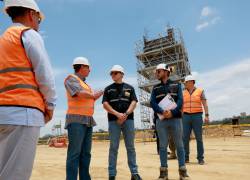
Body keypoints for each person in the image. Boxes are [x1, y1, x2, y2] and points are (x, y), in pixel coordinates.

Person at [0, 0, 57, 179]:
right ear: (32, 14)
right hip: (23, 113)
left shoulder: (4, 40)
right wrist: (50, 105)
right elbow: (45, 76)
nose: (38, 26)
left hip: (4, 114)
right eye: (39, 20)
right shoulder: (27, 34)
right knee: (15, 175)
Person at [64, 57, 103, 180]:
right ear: (81, 67)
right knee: (74, 153)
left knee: (86, 153)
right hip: (76, 120)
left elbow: (87, 97)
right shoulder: (71, 79)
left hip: (87, 120)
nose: (90, 70)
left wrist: (97, 95)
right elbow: (78, 92)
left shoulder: (86, 84)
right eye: (88, 68)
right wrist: (92, 95)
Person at [102, 65, 142, 180]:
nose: (112, 75)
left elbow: (134, 102)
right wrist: (117, 114)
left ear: (121, 74)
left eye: (115, 73)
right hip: (113, 121)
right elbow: (105, 104)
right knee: (113, 147)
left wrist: (125, 114)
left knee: (130, 147)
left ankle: (134, 173)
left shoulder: (129, 88)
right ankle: (112, 174)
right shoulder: (108, 89)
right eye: (111, 73)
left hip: (128, 120)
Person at [150, 64, 189, 180]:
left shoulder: (177, 85)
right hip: (161, 121)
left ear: (166, 72)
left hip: (175, 119)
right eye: (156, 71)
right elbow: (152, 102)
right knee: (162, 147)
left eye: (159, 71)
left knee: (179, 145)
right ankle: (163, 173)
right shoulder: (155, 88)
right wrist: (162, 111)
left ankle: (183, 173)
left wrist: (172, 113)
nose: (156, 73)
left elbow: (181, 101)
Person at [182, 75, 209, 165]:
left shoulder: (200, 91)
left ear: (191, 82)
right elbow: (180, 106)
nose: (185, 84)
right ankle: (186, 158)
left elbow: (204, 103)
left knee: (199, 138)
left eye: (185, 82)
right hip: (185, 116)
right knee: (185, 138)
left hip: (197, 116)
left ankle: (200, 158)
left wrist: (207, 115)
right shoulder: (183, 92)